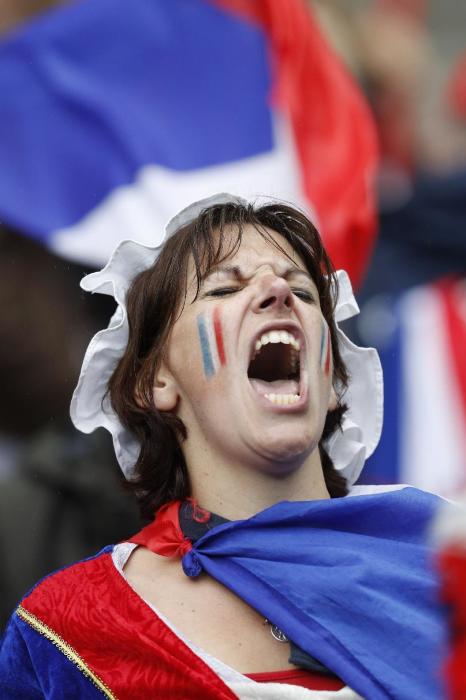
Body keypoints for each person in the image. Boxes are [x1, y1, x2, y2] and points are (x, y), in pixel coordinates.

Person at [0, 194, 448, 699]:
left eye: (302, 290)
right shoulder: (70, 633)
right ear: (155, 382)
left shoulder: (446, 560)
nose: (278, 290)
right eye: (223, 288)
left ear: (334, 382)